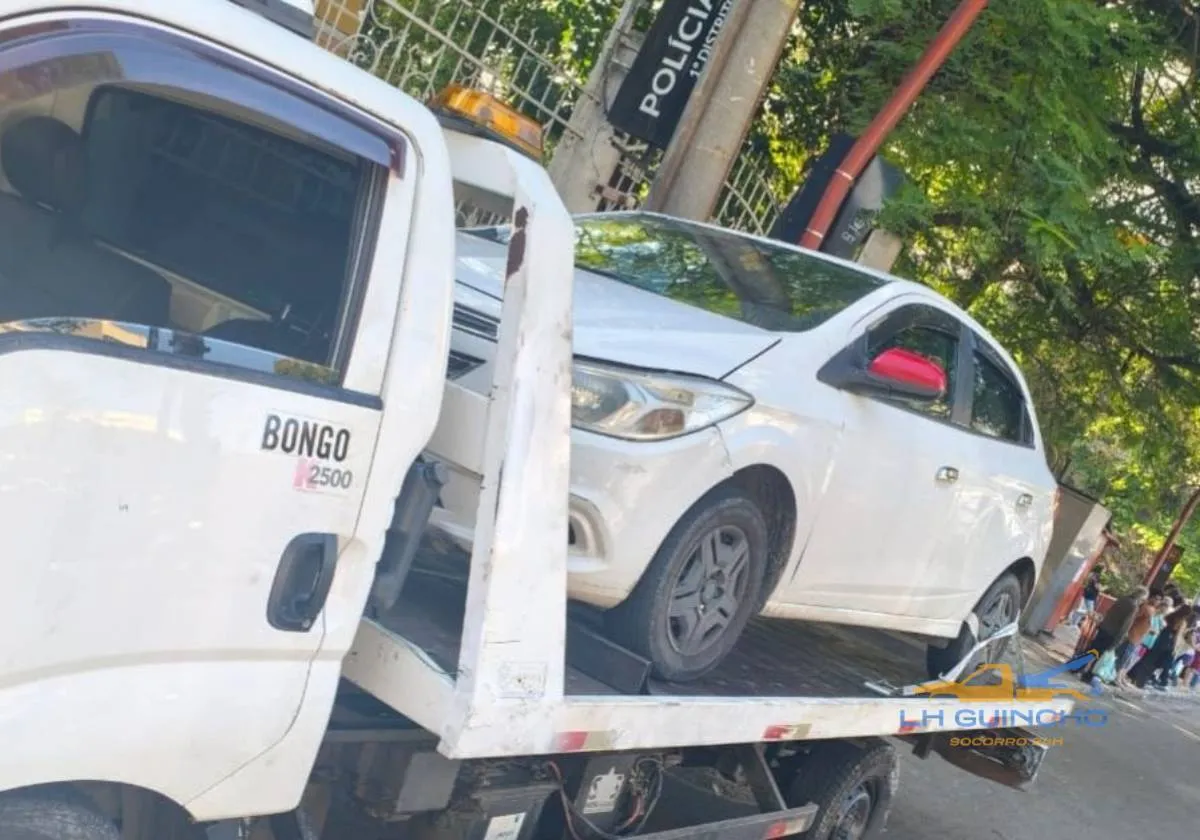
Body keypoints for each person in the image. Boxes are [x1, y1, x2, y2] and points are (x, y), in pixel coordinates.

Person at [1078, 586, 1149, 681]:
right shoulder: (1133, 606)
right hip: (1113, 633)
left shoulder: (1123, 599)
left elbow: (1109, 611)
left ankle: (1077, 666)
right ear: (1142, 597)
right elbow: (1126, 625)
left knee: (1092, 649)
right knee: (1101, 655)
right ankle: (1088, 675)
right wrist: (1119, 639)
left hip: (1105, 627)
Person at [1128, 605, 1195, 689]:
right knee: (1157, 663)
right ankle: (1141, 681)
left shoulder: (1172, 616)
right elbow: (1177, 636)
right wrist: (1175, 648)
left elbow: (1165, 622)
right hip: (1169, 642)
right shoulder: (1182, 622)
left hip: (1162, 638)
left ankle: (1133, 675)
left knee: (1149, 658)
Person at [1120, 597, 1169, 682]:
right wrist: (1153, 630)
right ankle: (1121, 675)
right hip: (1143, 638)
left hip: (1148, 641)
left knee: (1135, 659)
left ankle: (1123, 675)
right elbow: (1146, 624)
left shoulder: (1160, 618)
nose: (1163, 611)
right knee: (1130, 657)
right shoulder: (1152, 614)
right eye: (1163, 609)